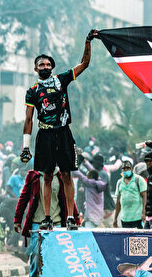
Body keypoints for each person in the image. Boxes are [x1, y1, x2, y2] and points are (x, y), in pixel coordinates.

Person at [20, 30, 98, 230]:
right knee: (46, 176)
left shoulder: (62, 79)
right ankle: (47, 217)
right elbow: (28, 119)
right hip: (44, 135)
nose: (45, 67)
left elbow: (84, 64)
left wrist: (88, 41)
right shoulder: (32, 91)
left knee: (66, 175)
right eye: (41, 65)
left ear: (52, 67)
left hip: (63, 132)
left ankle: (70, 217)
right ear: (35, 69)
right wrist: (25, 147)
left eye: (48, 64)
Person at [14, 168, 79, 277]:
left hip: (57, 222)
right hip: (37, 222)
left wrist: (75, 218)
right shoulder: (33, 176)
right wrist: (17, 219)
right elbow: (24, 197)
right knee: (36, 254)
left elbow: (68, 199)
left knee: (54, 256)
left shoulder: (60, 176)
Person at [114, 159, 147, 229]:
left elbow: (145, 197)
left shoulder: (138, 179)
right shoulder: (119, 182)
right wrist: (115, 218)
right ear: (121, 170)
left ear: (131, 169)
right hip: (124, 218)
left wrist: (144, 212)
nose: (126, 170)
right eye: (124, 168)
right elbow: (118, 201)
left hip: (137, 217)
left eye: (128, 168)